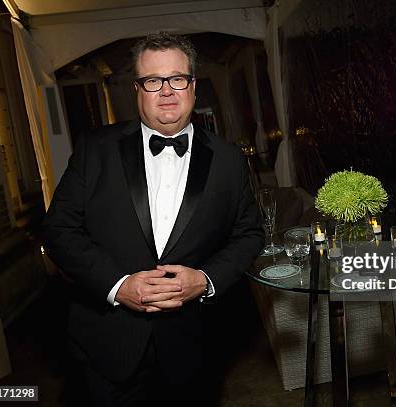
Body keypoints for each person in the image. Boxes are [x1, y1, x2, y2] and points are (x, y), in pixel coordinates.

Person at [42, 32, 264, 406]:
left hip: (196, 346)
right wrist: (117, 285)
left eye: (177, 78)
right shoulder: (95, 150)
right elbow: (58, 229)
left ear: (193, 86)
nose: (166, 91)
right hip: (108, 347)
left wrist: (206, 279)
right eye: (152, 81)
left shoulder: (228, 160)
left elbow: (249, 234)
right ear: (137, 89)